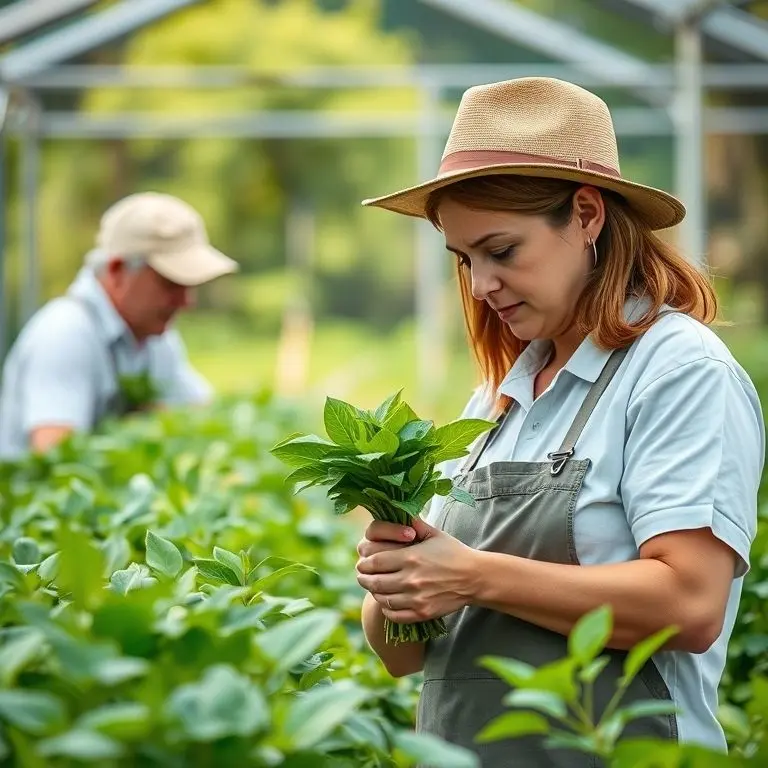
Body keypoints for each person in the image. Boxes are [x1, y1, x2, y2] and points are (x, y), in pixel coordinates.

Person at [354, 77, 765, 766]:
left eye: (502, 251)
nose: (481, 287)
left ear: (585, 214)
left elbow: (691, 606)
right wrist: (396, 583)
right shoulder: (496, 401)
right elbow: (406, 661)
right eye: (465, 261)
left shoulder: (676, 371)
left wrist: (472, 575)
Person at [0, 191, 238, 461]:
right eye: (171, 284)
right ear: (116, 271)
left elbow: (201, 413)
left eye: (189, 286)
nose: (186, 301)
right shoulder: (66, 334)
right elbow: (57, 461)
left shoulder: (154, 337)